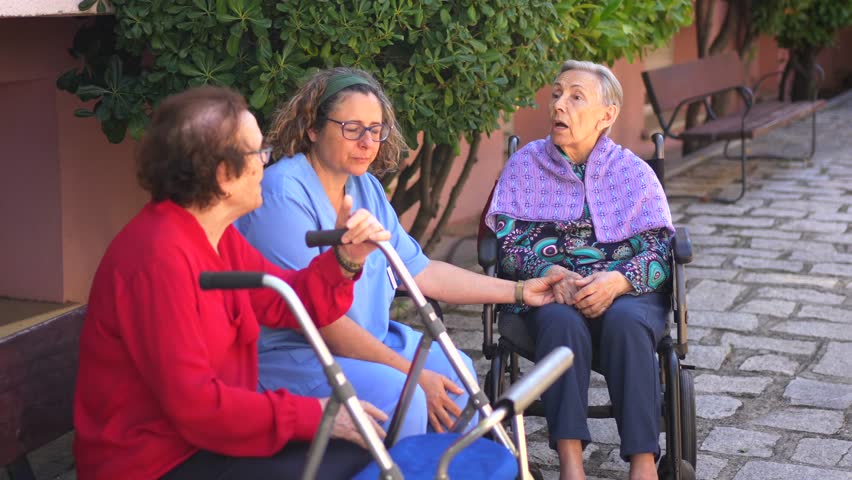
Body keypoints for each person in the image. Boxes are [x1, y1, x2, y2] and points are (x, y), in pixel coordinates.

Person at [73, 86, 392, 480]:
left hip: (204, 441)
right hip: (155, 462)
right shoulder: (158, 259)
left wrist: (346, 257)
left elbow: (289, 302)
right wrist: (317, 413)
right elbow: (196, 406)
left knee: (357, 447)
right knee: (347, 453)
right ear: (224, 175)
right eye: (259, 153)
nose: (265, 164)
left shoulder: (215, 235)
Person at [235, 67, 563, 440]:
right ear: (313, 127)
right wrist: (413, 374)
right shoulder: (281, 195)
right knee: (407, 394)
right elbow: (319, 322)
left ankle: (451, 467)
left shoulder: (367, 187)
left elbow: (420, 272)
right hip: (298, 355)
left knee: (459, 376)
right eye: (352, 128)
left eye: (376, 130)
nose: (367, 142)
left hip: (370, 341)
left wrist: (520, 291)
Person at [485, 60, 675, 480]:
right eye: (556, 94)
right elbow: (508, 245)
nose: (559, 105)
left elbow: (661, 252)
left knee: (627, 322)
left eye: (575, 97)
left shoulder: (633, 173)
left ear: (607, 115)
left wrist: (619, 280)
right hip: (550, 291)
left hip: (627, 293)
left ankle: (644, 464)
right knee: (559, 320)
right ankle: (571, 465)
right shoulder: (525, 165)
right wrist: (551, 271)